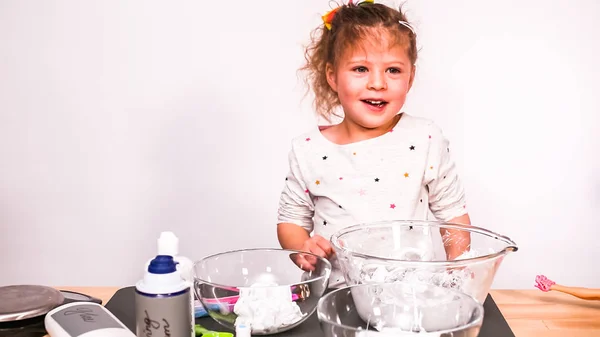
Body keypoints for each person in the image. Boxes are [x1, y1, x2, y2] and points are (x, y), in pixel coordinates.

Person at [276, 0, 471, 287]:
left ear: (410, 77)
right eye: (360, 69)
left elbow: (454, 217)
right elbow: (291, 220)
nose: (378, 83)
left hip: (411, 299)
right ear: (332, 76)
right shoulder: (309, 150)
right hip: (336, 299)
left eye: (393, 70)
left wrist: (459, 279)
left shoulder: (425, 138)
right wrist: (303, 248)